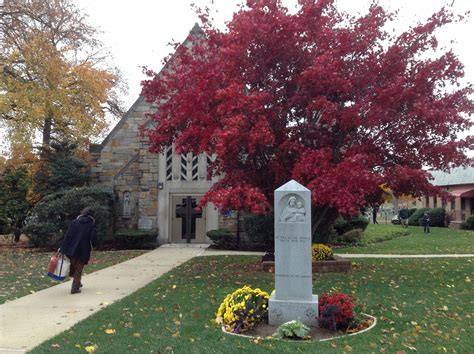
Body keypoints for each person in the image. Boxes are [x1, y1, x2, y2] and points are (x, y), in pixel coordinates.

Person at [59, 207, 97, 294]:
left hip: (71, 248)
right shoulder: (91, 224)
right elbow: (93, 237)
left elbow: (68, 235)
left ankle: (78, 282)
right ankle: (75, 287)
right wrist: (93, 245)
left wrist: (62, 248)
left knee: (75, 265)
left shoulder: (75, 222)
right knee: (79, 267)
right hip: (83, 248)